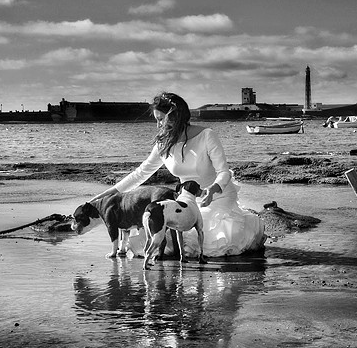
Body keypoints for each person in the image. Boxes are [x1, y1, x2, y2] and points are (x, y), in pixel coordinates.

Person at [94, 92, 266, 258]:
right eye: (156, 120)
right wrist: (106, 194)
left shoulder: (207, 136)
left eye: (160, 119)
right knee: (157, 241)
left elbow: (224, 173)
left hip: (217, 198)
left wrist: (212, 190)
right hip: (186, 203)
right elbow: (140, 173)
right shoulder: (164, 143)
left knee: (213, 244)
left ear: (175, 116)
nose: (158, 126)